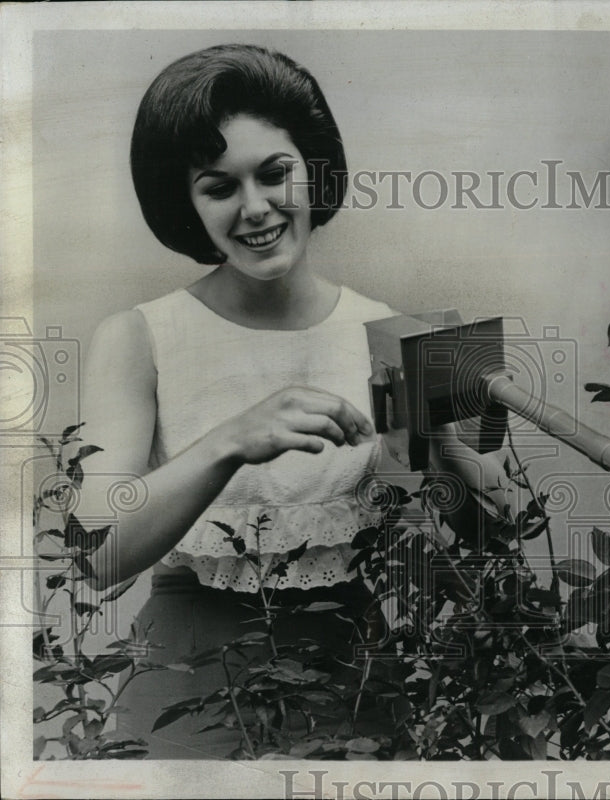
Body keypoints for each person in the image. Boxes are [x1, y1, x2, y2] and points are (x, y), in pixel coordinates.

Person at [75, 43, 500, 759]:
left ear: (315, 171)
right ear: (187, 202)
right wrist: (228, 441)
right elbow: (96, 555)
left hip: (357, 681)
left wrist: (444, 435)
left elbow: (493, 535)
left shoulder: (383, 327)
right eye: (219, 187)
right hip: (188, 691)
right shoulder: (137, 336)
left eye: (276, 174)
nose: (257, 209)